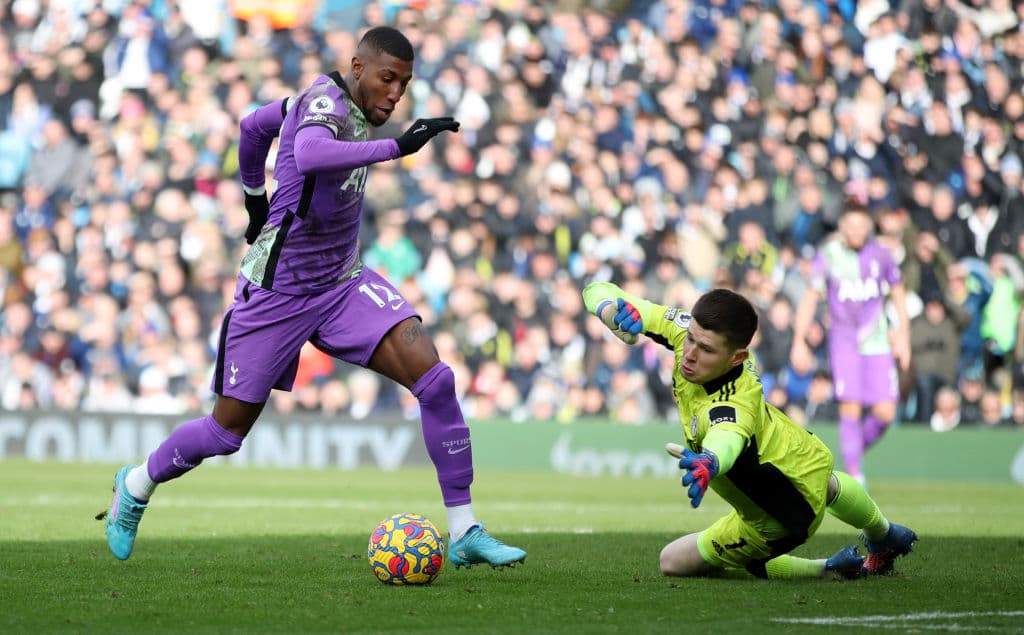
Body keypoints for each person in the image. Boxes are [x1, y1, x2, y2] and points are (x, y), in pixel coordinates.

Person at [98, 26, 526, 569]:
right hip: (276, 293)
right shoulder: (322, 103)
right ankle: (134, 485)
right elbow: (312, 151)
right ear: (357, 68)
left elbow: (253, 126)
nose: (395, 94)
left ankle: (465, 529)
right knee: (225, 433)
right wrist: (400, 146)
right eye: (388, 79)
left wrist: (254, 195)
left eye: (405, 83)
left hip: (342, 283)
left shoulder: (312, 103)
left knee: (435, 379)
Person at [582, 281, 918, 580]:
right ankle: (883, 532)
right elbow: (596, 289)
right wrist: (610, 311)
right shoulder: (688, 331)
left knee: (671, 561)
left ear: (737, 357)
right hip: (799, 454)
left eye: (707, 350)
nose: (690, 354)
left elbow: (726, 436)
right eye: (692, 340)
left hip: (782, 516)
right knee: (825, 482)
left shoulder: (735, 403)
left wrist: (710, 461)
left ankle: (827, 568)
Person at [790, 201, 911, 487]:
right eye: (851, 225)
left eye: (861, 225)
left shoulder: (882, 255)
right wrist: (799, 341)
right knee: (851, 407)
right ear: (842, 227)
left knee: (885, 413)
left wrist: (903, 334)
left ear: (868, 226)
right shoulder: (828, 255)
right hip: (844, 341)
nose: (857, 231)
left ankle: (852, 455)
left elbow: (898, 291)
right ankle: (855, 475)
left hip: (878, 340)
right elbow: (810, 297)